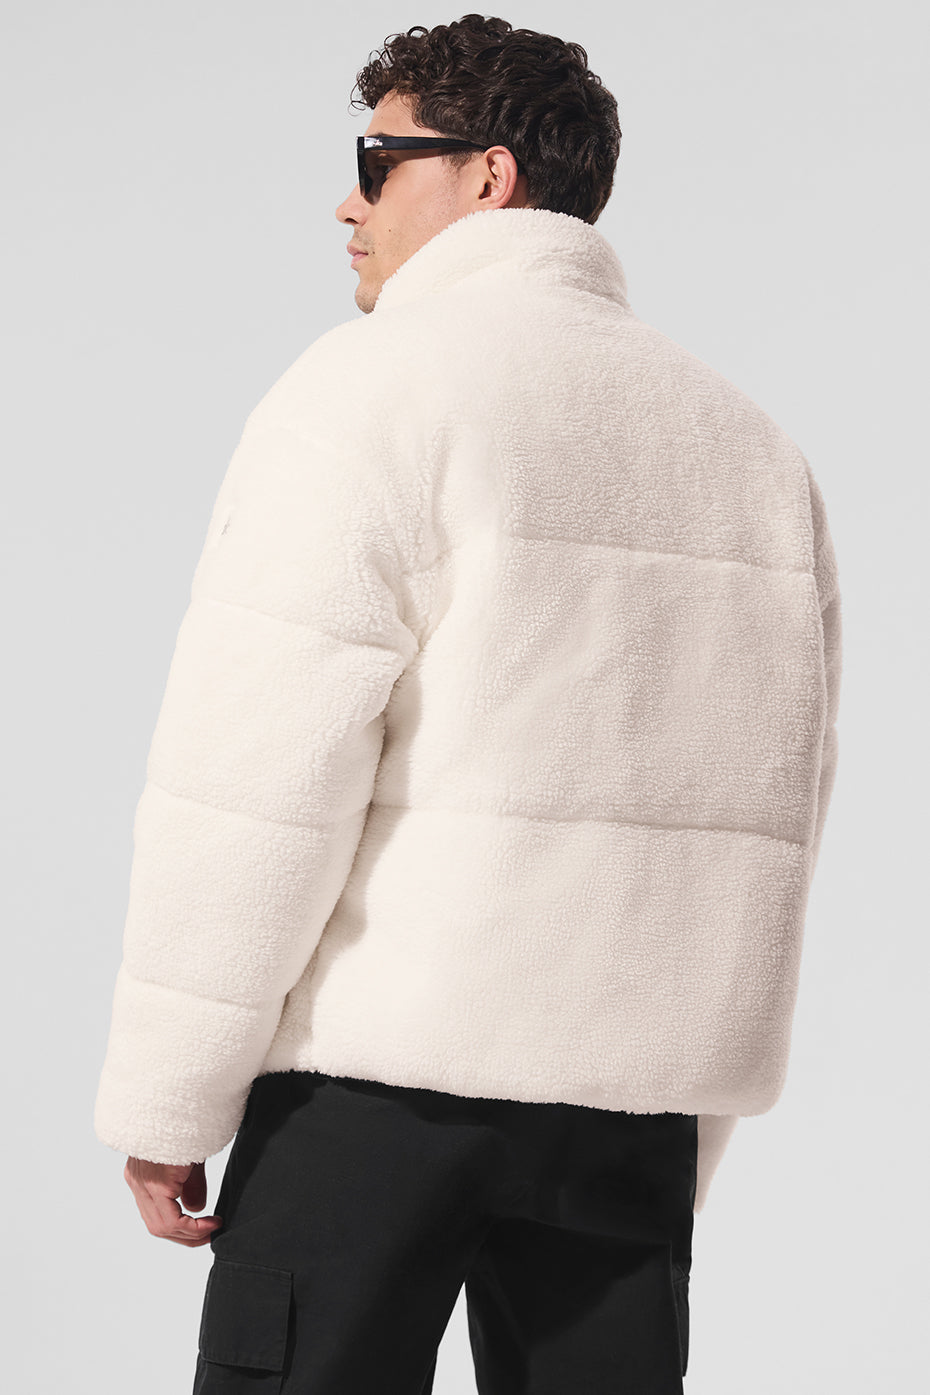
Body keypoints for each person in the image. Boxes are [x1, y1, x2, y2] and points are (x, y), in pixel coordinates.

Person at [94, 14, 842, 1394]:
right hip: (626, 1113)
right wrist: (675, 1115)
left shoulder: (371, 392)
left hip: (376, 1100)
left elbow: (254, 775)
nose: (348, 201)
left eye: (376, 161)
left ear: (488, 175)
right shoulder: (746, 445)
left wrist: (172, 1088)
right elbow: (770, 808)